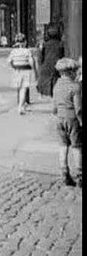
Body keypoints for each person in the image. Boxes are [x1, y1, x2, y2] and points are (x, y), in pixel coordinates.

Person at [51, 58, 82, 187]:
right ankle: (80, 175)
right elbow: (78, 108)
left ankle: (64, 173)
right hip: (72, 119)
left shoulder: (57, 85)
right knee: (77, 146)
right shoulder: (75, 87)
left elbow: (54, 106)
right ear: (71, 72)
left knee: (63, 146)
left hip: (59, 119)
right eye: (75, 70)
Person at [7, 33, 37, 115]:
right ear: (25, 42)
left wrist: (13, 66)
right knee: (23, 90)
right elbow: (31, 62)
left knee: (19, 89)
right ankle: (20, 107)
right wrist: (34, 70)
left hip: (16, 70)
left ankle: (22, 106)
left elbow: (9, 61)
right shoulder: (27, 51)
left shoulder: (13, 51)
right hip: (25, 71)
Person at [37, 26, 65, 98]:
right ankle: (54, 93)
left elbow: (41, 55)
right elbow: (62, 55)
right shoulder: (60, 44)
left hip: (46, 63)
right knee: (55, 78)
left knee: (44, 78)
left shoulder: (45, 44)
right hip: (57, 63)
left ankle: (43, 93)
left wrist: (40, 63)